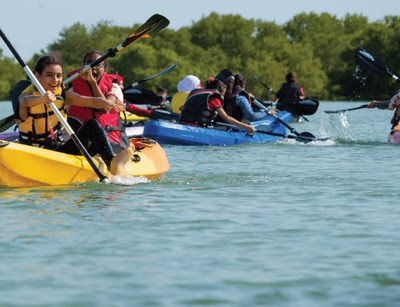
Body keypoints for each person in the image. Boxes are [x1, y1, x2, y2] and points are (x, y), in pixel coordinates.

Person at [18, 55, 130, 175]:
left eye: (59, 76)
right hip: (32, 151)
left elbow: (91, 101)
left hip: (58, 151)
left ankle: (111, 162)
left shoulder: (65, 96)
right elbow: (24, 101)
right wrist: (43, 98)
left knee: (92, 124)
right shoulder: (26, 96)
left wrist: (108, 103)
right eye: (49, 75)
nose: (55, 80)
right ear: (37, 75)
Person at [67, 50, 131, 154]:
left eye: (98, 65)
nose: (93, 68)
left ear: (105, 69)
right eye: (89, 64)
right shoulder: (73, 88)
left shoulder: (114, 87)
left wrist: (92, 82)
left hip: (109, 140)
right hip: (82, 139)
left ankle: (113, 161)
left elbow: (104, 108)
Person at [179, 69, 256, 134]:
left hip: (182, 124)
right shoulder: (215, 98)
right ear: (221, 90)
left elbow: (182, 108)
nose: (223, 95)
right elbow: (226, 118)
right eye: (224, 92)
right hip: (195, 129)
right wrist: (246, 127)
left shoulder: (195, 91)